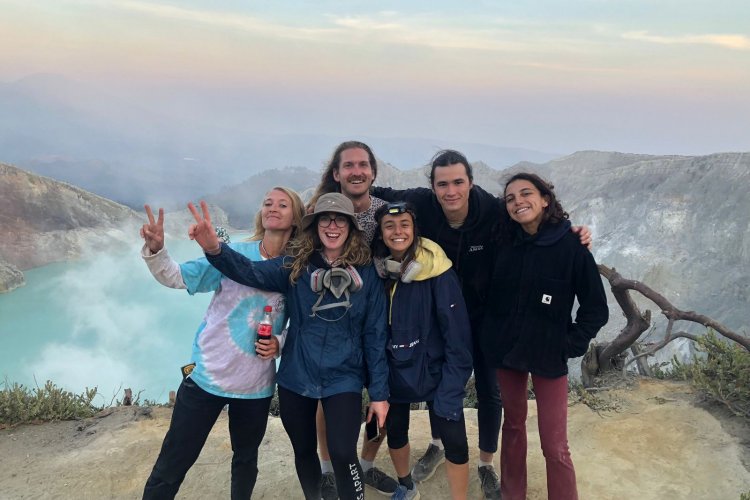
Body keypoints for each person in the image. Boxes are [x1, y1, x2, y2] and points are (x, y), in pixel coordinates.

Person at [372, 150, 592, 499]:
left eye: (458, 182)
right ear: (433, 187)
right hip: (439, 317)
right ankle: (438, 444)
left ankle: (486, 463)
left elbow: (531, 222)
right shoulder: (422, 202)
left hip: (487, 319)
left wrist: (571, 232)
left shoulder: (491, 208)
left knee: (490, 390)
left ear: (471, 183)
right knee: (438, 380)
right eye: (443, 184)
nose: (451, 191)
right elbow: (378, 191)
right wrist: (331, 194)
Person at [188, 193, 389, 500]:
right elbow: (250, 271)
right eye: (325, 219)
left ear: (351, 227)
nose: (332, 226)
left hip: (344, 377)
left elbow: (375, 335)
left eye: (340, 220)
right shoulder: (296, 266)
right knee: (304, 451)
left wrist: (379, 394)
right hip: (297, 377)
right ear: (315, 226)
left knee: (342, 453)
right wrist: (215, 249)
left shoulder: (367, 274)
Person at [139, 186, 305, 499]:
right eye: (268, 203)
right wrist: (157, 250)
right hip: (207, 376)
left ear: (296, 218)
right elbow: (177, 276)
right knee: (174, 459)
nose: (273, 208)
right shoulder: (232, 254)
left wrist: (279, 342)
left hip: (255, 385)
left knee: (245, 460)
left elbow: (302, 324)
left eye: (283, 205)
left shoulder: (296, 268)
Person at [480, 173, 609, 500]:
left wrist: (569, 344)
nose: (518, 202)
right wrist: (491, 335)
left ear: (545, 199)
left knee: (554, 444)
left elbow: (595, 308)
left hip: (549, 355)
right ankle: (512, 494)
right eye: (510, 198)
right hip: (507, 351)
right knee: (513, 426)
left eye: (526, 194)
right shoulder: (503, 242)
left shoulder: (571, 247)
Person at [310, 141, 399, 498]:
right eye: (349, 165)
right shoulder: (322, 211)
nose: (356, 171)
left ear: (373, 172)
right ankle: (328, 468)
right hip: (335, 320)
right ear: (336, 173)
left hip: (384, 315)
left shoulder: (384, 211)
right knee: (327, 397)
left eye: (363, 165)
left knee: (384, 393)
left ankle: (364, 464)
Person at [372, 202, 473, 500]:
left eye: (405, 224)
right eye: (389, 226)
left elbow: (457, 336)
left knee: (454, 439)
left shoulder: (437, 270)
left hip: (435, 370)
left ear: (415, 230)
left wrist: (452, 385)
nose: (398, 231)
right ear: (381, 233)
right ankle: (406, 485)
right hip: (394, 369)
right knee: (391, 429)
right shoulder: (379, 271)